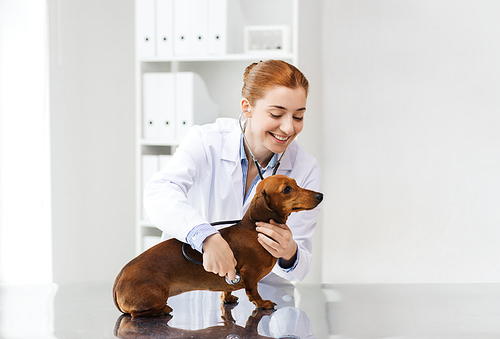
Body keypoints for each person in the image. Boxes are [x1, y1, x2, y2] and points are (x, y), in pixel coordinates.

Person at [144, 59, 322, 285]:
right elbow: (159, 192)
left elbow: (300, 264)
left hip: (263, 302)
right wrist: (204, 236)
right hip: (193, 289)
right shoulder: (206, 141)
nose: (289, 128)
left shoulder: (305, 167)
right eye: (276, 114)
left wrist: (289, 251)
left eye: (298, 116)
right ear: (247, 107)